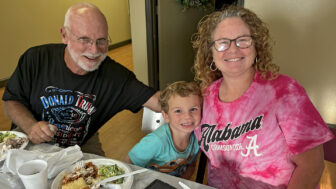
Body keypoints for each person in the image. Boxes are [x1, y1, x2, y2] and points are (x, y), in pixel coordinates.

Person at [192, 5, 334, 189]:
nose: (233, 49)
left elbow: (312, 167)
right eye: (222, 42)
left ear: (256, 46)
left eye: (242, 40)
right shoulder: (205, 96)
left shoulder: (285, 91)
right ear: (210, 52)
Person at [1, 3, 160, 156]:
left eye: (101, 40)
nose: (94, 50)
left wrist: (183, 99)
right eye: (84, 39)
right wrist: (30, 126)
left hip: (81, 142)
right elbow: (11, 100)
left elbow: (159, 102)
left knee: (101, 180)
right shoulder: (36, 59)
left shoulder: (115, 76)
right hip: (28, 137)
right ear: (64, 35)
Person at [125, 81, 201, 179]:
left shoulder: (198, 138)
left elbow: (191, 165)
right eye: (178, 111)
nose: (187, 116)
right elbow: (128, 162)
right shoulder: (156, 141)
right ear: (166, 116)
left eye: (193, 109)